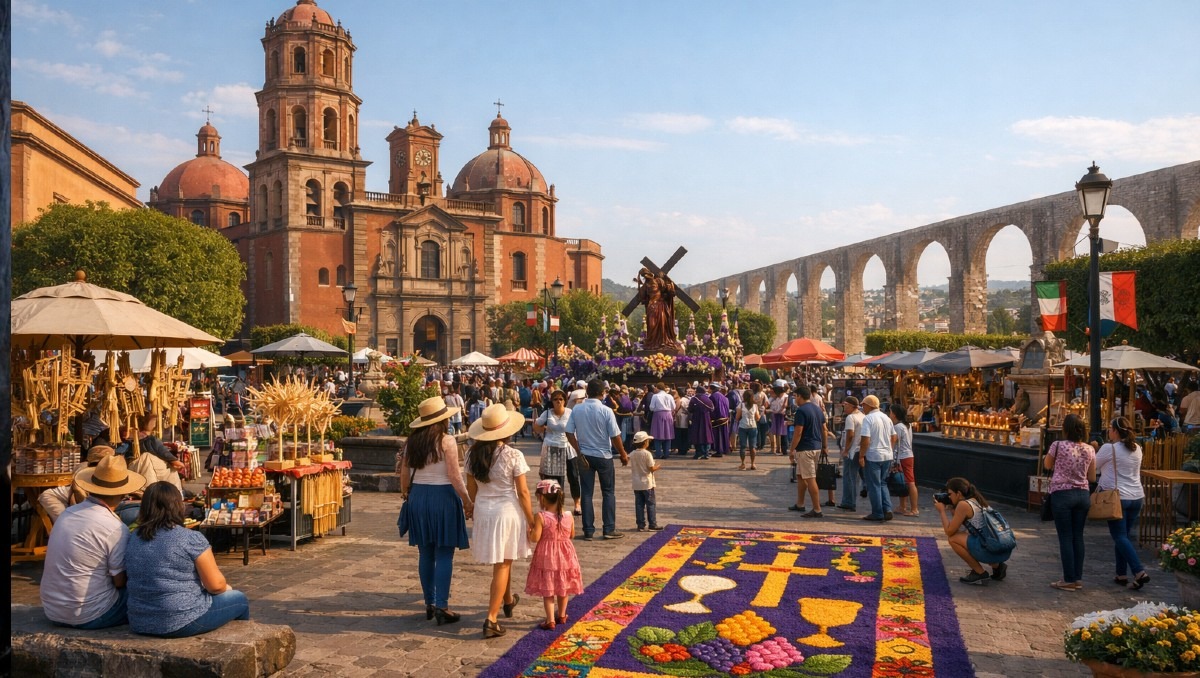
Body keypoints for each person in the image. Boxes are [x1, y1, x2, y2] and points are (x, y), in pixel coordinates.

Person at [125, 481, 250, 637]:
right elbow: (216, 586)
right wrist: (227, 588)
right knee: (239, 599)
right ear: (178, 505)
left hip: (139, 621)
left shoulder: (133, 537)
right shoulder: (190, 538)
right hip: (181, 619)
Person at [40, 455, 146, 629]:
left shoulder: (66, 514)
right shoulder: (115, 528)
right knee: (147, 591)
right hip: (90, 614)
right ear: (123, 494)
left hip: (53, 610)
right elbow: (119, 582)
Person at [398, 396, 472, 625]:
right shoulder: (446, 441)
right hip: (443, 497)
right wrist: (467, 500)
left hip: (418, 497)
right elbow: (453, 475)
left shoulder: (412, 441)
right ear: (441, 420)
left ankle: (429, 602)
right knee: (444, 553)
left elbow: (404, 471)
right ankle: (442, 605)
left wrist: (406, 494)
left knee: (425, 552)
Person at [467, 403, 534, 638]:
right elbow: (523, 492)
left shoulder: (472, 454)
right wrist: (531, 519)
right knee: (503, 563)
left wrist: (474, 506)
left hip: (485, 509)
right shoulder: (513, 454)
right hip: (507, 510)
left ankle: (507, 599)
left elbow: (471, 487)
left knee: (504, 559)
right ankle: (491, 618)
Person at [565, 379, 629, 541]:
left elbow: (569, 432)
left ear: (587, 392)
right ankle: (608, 528)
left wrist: (578, 450)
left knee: (586, 493)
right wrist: (623, 454)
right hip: (604, 455)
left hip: (585, 454)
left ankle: (588, 530)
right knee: (608, 492)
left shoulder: (577, 410)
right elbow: (615, 436)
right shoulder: (606, 411)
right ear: (602, 393)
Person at [1095, 416, 1150, 590]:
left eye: (1110, 429)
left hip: (1117, 497)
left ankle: (1139, 571)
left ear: (1116, 431)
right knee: (1123, 537)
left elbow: (1094, 466)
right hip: (1136, 497)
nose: (1108, 432)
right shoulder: (1137, 449)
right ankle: (1121, 574)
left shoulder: (1108, 448)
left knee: (1119, 536)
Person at [1044, 413, 1096, 591]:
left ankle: (1068, 579)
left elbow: (1047, 465)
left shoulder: (1058, 445)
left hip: (1062, 494)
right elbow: (1092, 476)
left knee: (1065, 537)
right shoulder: (1090, 449)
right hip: (1082, 494)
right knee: (1077, 536)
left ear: (1065, 429)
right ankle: (1077, 577)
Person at [524, 479, 584, 630]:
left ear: (542, 498)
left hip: (547, 555)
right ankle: (562, 615)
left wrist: (529, 532)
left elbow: (535, 538)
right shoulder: (569, 515)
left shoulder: (541, 516)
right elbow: (572, 534)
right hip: (566, 554)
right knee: (563, 586)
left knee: (548, 587)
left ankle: (550, 620)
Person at [935, 477, 1010, 586]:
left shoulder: (963, 505)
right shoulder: (976, 499)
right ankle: (998, 567)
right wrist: (953, 511)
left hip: (992, 550)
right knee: (974, 537)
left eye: (950, 494)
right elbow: (964, 529)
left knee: (953, 539)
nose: (948, 497)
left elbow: (950, 531)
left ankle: (980, 573)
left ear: (959, 493)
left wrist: (941, 511)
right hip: (1002, 550)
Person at [533, 390, 582, 516]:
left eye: (561, 399)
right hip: (551, 447)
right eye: (555, 399)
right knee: (555, 479)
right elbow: (536, 426)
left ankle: (577, 503)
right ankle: (559, 505)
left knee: (573, 476)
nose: (558, 401)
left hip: (567, 446)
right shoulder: (547, 413)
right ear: (552, 401)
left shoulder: (570, 413)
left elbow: (577, 428)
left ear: (565, 401)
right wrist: (544, 428)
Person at [787, 385, 828, 518]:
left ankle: (817, 509)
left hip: (806, 448)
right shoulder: (817, 409)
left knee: (810, 478)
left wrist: (792, 449)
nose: (794, 399)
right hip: (816, 446)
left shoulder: (801, 411)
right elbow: (824, 429)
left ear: (799, 396)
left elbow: (798, 432)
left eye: (795, 396)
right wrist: (825, 446)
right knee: (801, 475)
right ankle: (800, 503)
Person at [858, 395, 895, 522]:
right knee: (883, 483)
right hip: (887, 455)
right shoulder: (886, 418)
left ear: (869, 405)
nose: (862, 408)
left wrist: (861, 455)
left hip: (874, 455)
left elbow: (865, 439)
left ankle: (877, 512)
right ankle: (887, 509)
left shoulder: (868, 419)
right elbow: (894, 436)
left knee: (874, 485)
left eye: (863, 405)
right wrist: (889, 448)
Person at [636, 267, 679, 351]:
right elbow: (641, 296)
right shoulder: (646, 285)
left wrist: (670, 286)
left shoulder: (658, 281)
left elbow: (667, 290)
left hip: (660, 306)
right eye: (642, 275)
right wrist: (638, 284)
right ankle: (652, 342)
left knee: (662, 325)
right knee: (651, 325)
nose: (644, 276)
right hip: (651, 307)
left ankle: (662, 342)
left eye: (645, 274)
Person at [628, 431, 663, 532]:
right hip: (647, 483)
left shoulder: (633, 453)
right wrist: (658, 467)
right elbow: (651, 468)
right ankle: (652, 524)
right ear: (645, 442)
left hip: (636, 483)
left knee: (639, 504)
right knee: (650, 504)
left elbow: (626, 458)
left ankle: (640, 525)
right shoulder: (647, 454)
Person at [837, 396, 866, 512]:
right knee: (860, 476)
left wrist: (846, 450)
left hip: (852, 451)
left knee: (849, 476)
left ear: (850, 405)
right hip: (861, 450)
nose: (844, 407)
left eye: (845, 405)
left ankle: (849, 501)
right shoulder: (863, 417)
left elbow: (850, 435)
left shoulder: (851, 418)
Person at [889, 404, 918, 517]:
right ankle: (903, 506)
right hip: (907, 454)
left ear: (895, 415)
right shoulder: (907, 425)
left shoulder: (898, 427)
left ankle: (914, 508)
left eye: (890, 412)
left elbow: (893, 441)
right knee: (904, 481)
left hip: (903, 456)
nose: (889, 415)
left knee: (910, 482)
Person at [646, 383, 676, 460]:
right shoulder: (669, 396)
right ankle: (666, 453)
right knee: (667, 434)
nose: (654, 389)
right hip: (668, 415)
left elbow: (651, 407)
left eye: (655, 387)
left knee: (657, 434)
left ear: (658, 388)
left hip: (658, 415)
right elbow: (673, 407)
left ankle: (658, 453)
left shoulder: (655, 396)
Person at [688, 383, 715, 460]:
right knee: (706, 435)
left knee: (697, 435)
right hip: (706, 419)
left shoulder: (694, 399)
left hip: (697, 419)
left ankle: (698, 453)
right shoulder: (708, 399)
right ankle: (706, 453)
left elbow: (690, 409)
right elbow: (712, 409)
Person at [735, 390, 760, 471]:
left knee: (743, 446)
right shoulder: (755, 406)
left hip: (743, 426)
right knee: (752, 447)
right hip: (753, 426)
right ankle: (753, 463)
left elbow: (737, 417)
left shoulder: (741, 405)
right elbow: (758, 418)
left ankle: (743, 464)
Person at [708, 383, 731, 458]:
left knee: (718, 435)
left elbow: (712, 408)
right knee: (723, 434)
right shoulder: (723, 396)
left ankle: (719, 450)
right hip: (725, 417)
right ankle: (724, 449)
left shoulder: (712, 396)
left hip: (717, 418)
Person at [767, 385, 788, 455]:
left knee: (781, 433)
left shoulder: (785, 396)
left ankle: (780, 449)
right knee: (776, 432)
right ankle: (777, 448)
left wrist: (778, 411)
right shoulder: (773, 398)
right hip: (775, 415)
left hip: (781, 415)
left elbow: (785, 405)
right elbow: (766, 404)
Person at [673, 386, 691, 456]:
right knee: (685, 434)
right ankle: (685, 448)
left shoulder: (680, 400)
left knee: (680, 434)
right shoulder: (687, 399)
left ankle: (681, 449)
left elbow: (676, 408)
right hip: (686, 417)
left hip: (680, 417)